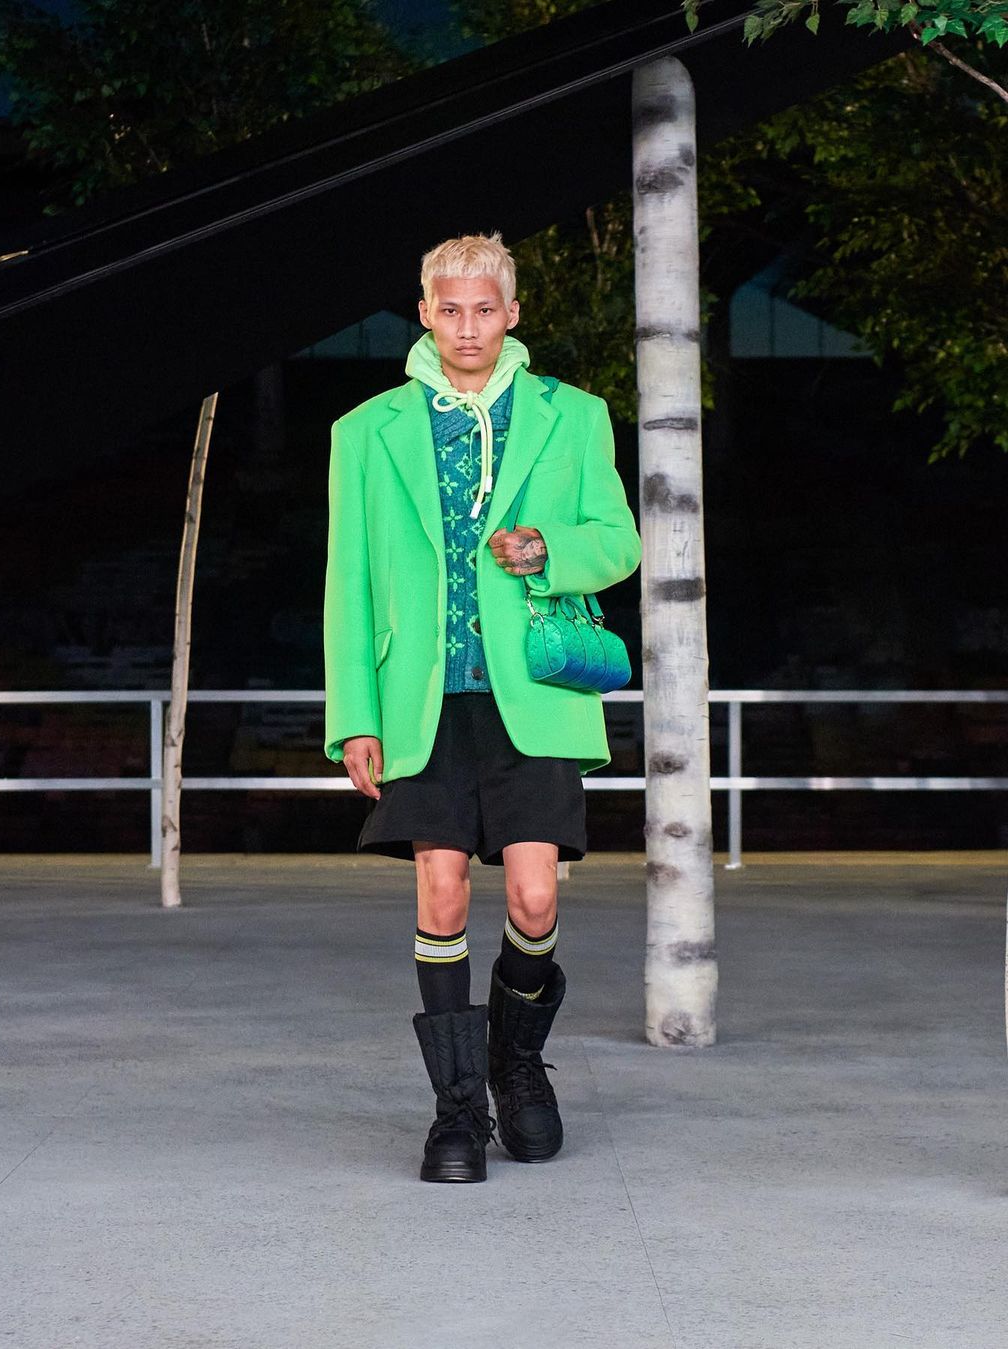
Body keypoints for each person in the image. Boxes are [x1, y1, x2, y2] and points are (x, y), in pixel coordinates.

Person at [322, 232, 641, 1183]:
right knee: (442, 888)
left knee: (536, 897)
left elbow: (620, 540)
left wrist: (550, 551)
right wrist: (355, 716)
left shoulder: (572, 415)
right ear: (425, 313)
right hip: (420, 700)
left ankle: (516, 1062)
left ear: (512, 314)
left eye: (485, 309)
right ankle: (455, 1110)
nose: (467, 327)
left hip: (532, 694)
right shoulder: (365, 430)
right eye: (450, 309)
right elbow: (348, 585)